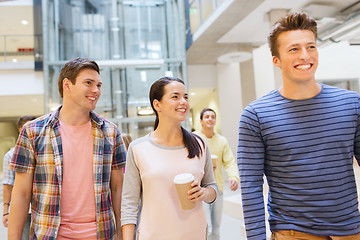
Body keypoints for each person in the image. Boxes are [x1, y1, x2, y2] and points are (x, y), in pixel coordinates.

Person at [237, 12, 360, 240]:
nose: (305, 55)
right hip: (294, 233)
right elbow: (251, 188)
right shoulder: (256, 115)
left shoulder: (351, 103)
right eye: (294, 49)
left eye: (311, 47)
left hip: (351, 231)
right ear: (277, 60)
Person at [8, 57, 126, 240]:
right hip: (49, 235)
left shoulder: (110, 133)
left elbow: (118, 189)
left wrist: (123, 235)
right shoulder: (33, 131)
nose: (96, 90)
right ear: (67, 85)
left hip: (101, 235)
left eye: (99, 85)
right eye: (89, 83)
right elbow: (21, 193)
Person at [121, 77, 217, 240]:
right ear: (157, 104)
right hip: (153, 235)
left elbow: (212, 188)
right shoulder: (138, 148)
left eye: (185, 97)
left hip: (194, 234)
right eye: (175, 97)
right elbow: (129, 204)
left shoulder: (200, 144)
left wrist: (203, 192)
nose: (183, 102)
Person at [193, 108, 239, 240]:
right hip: (200, 189)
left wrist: (233, 177)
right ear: (201, 121)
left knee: (217, 228)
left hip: (218, 188)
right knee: (206, 227)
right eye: (206, 117)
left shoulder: (222, 140)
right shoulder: (194, 139)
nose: (210, 119)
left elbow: (229, 161)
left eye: (212, 117)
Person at [2, 115, 36, 240]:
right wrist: (6, 211)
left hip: (43, 208)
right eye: (26, 127)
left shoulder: (44, 151)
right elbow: (8, 184)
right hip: (23, 210)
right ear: (20, 129)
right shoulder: (10, 155)